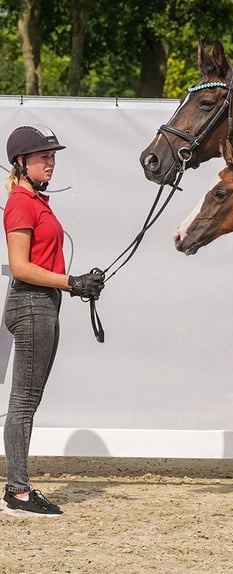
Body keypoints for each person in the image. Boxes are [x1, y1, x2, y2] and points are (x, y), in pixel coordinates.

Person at [2, 125, 104, 516]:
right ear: (21, 162)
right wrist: (71, 282)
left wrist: (77, 284)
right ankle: (18, 493)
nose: (51, 162)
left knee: (29, 401)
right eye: (44, 156)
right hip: (31, 305)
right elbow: (20, 266)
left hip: (44, 303)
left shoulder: (38, 202)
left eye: (53, 156)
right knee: (24, 402)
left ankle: (19, 487)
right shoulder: (21, 204)